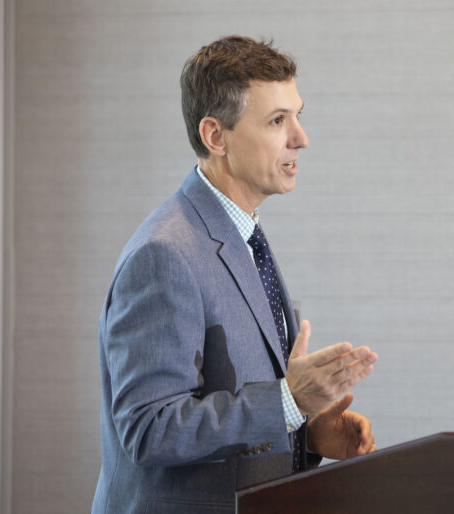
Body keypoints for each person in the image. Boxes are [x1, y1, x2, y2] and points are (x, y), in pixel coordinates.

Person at [91, 36, 379, 513]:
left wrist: (305, 433)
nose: (301, 138)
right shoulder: (164, 254)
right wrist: (289, 401)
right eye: (277, 121)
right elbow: (149, 429)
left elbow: (234, 398)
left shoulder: (243, 235)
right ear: (215, 136)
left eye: (297, 115)